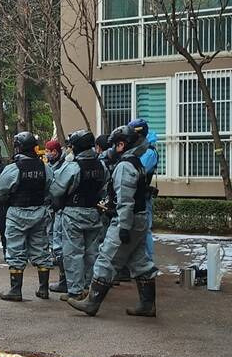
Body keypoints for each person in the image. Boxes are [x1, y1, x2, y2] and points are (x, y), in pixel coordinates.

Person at [68, 125, 158, 317]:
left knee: (106, 259)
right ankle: (147, 305)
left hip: (128, 221)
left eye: (115, 145)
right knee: (141, 262)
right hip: (140, 219)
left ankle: (92, 302)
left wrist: (124, 227)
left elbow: (125, 200)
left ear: (122, 144)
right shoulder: (137, 163)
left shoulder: (125, 166)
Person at [0, 132, 53, 302]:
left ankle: (15, 290)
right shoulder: (45, 167)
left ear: (18, 147)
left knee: (15, 250)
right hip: (39, 212)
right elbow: (52, 187)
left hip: (17, 213)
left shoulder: (14, 168)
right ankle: (43, 289)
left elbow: (0, 191)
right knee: (41, 249)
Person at [50, 130, 106, 302]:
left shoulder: (73, 167)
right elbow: (104, 187)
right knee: (92, 253)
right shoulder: (101, 165)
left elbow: (56, 189)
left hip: (73, 213)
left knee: (73, 252)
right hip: (94, 213)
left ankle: (75, 291)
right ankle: (89, 288)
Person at [128, 118, 159, 260]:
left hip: (143, 196)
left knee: (145, 231)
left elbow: (136, 171)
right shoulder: (137, 150)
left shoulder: (149, 152)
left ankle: (148, 262)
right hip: (133, 195)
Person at [44, 139, 67, 293]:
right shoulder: (48, 167)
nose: (47, 153)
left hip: (59, 207)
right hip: (50, 205)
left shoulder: (64, 167)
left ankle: (65, 279)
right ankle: (53, 255)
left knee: (58, 238)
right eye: (46, 151)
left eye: (50, 151)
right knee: (50, 233)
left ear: (56, 152)